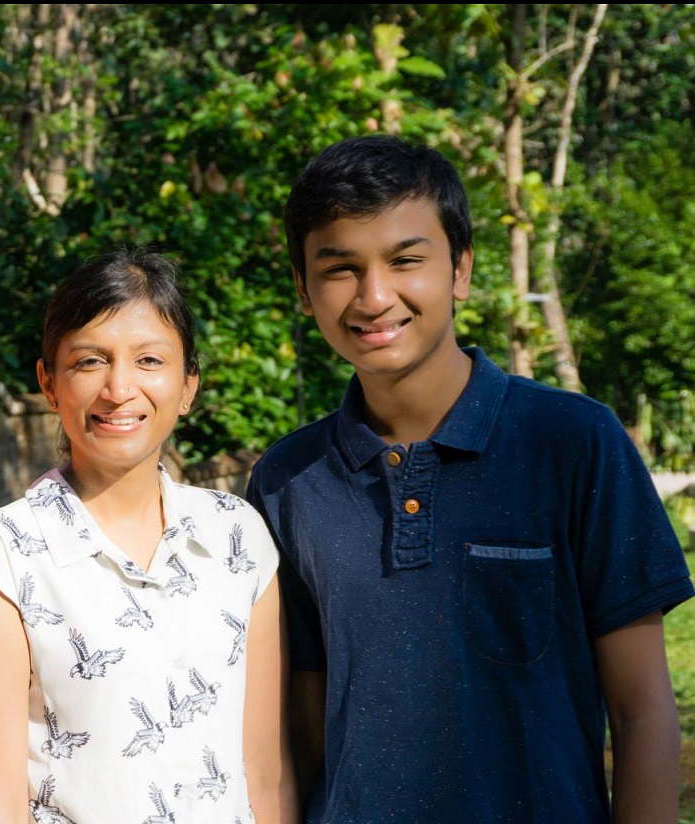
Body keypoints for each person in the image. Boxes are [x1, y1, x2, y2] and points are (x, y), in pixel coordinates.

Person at [245, 134, 694, 824]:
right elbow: (295, 734)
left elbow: (642, 713)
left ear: (460, 269)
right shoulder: (286, 481)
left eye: (405, 260)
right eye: (339, 268)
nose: (373, 296)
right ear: (304, 290)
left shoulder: (573, 444)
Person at [0, 248, 295, 824]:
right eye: (89, 362)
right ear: (49, 384)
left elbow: (267, 773)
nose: (119, 388)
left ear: (188, 386)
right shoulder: (1, 556)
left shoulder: (237, 538)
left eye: (150, 360)